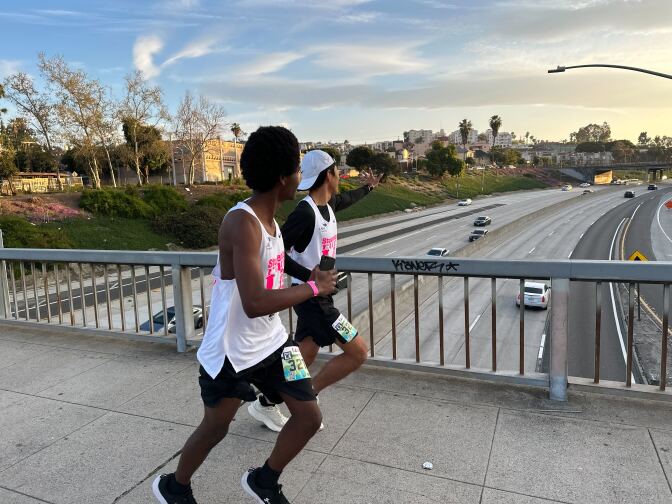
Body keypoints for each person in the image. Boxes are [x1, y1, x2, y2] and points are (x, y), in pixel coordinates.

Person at [152, 127, 337, 504]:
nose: (301, 179)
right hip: (230, 351)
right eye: (298, 171)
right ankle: (175, 486)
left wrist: (309, 277)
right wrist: (315, 289)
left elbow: (274, 272)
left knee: (309, 417)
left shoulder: (272, 224)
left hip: (272, 341)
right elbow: (253, 300)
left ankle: (264, 481)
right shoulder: (242, 222)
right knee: (216, 427)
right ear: (284, 178)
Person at [248, 149, 381, 432]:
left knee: (302, 358)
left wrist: (368, 188)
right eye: (337, 173)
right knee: (358, 352)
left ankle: (266, 403)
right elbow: (276, 252)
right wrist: (309, 276)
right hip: (314, 300)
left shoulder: (327, 207)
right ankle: (307, 399)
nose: (340, 179)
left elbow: (347, 199)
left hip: (319, 296)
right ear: (328, 175)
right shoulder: (304, 213)